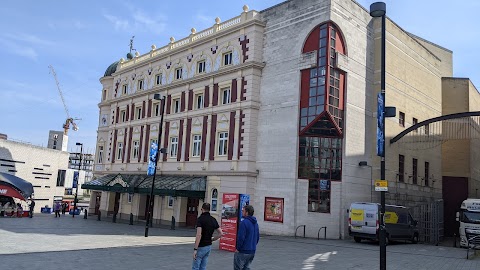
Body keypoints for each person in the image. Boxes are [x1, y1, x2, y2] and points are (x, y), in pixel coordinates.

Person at [192, 203, 223, 270]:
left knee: (195, 267)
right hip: (208, 246)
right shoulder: (213, 219)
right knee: (203, 267)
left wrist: (195, 249)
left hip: (201, 246)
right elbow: (221, 233)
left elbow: (198, 235)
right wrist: (213, 239)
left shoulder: (200, 219)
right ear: (209, 210)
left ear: (202, 209)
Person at [234, 205, 260, 270]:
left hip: (243, 251)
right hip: (252, 251)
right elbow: (257, 238)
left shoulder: (244, 223)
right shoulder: (255, 223)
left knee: (238, 268)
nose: (242, 212)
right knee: (246, 267)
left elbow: (241, 237)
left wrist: (238, 248)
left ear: (247, 212)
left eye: (243, 211)